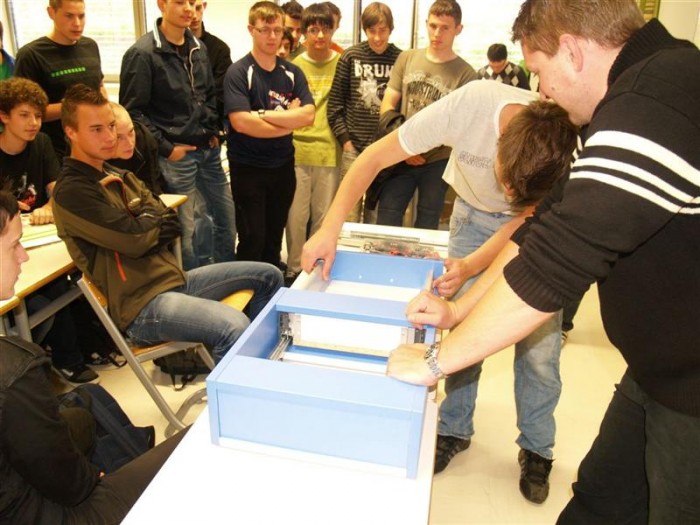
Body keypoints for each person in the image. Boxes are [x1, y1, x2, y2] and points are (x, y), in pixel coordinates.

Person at [387, 1, 700, 522]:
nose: (542, 90)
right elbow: (542, 226)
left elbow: (558, 260)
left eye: (539, 71)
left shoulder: (651, 103)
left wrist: (437, 361)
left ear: (572, 52)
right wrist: (458, 311)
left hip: (691, 392)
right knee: (597, 503)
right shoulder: (626, 99)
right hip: (658, 370)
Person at [303, 80, 577, 503]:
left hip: (530, 228)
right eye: (505, 182)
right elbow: (373, 157)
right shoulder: (469, 105)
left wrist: (471, 268)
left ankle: (537, 448)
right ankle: (453, 428)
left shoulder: (564, 149)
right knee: (462, 338)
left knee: (540, 350)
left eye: (514, 191)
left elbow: (524, 232)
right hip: (470, 218)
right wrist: (329, 228)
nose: (506, 193)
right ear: (499, 141)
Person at [53, 84, 283, 364]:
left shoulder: (119, 174)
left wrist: (145, 224)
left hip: (174, 281)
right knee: (233, 326)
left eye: (111, 126)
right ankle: (237, 383)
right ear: (71, 132)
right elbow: (136, 241)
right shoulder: (72, 191)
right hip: (142, 306)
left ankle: (258, 367)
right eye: (96, 129)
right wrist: (148, 224)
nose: (110, 136)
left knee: (269, 276)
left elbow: (170, 220)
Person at [0, 190, 190, 524]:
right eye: (15, 245)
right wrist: (91, 477)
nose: (23, 257)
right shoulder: (14, 369)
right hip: (56, 513)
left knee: (87, 400)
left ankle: (131, 457)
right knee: (195, 443)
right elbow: (72, 487)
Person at [120, 0, 237, 271]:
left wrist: (212, 130)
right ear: (162, 4)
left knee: (225, 220)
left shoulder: (198, 47)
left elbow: (208, 95)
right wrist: (167, 148)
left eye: (193, 4)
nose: (189, 9)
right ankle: (197, 285)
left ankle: (228, 277)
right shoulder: (142, 53)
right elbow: (133, 112)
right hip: (176, 155)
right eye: (180, 2)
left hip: (208, 151)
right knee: (189, 231)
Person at [0, 77, 100, 385]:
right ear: (4, 116)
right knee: (47, 294)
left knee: (62, 282)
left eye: (37, 115)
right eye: (24, 115)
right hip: (8, 245)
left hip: (37, 238)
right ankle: (61, 362)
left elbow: (59, 188)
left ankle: (76, 353)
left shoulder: (41, 143)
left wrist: (48, 205)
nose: (33, 123)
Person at [224, 1, 315, 268]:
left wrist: (261, 114)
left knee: (274, 240)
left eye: (277, 30)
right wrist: (289, 121)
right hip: (248, 169)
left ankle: (272, 289)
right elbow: (241, 123)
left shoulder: (292, 72)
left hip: (282, 167)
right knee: (253, 239)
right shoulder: (239, 72)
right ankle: (248, 292)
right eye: (265, 30)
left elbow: (308, 115)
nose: (272, 36)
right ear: (251, 30)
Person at [376, 0, 476, 229]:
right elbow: (387, 104)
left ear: (458, 29)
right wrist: (405, 146)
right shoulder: (407, 58)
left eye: (445, 28)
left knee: (428, 221)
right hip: (400, 153)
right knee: (388, 215)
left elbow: (460, 126)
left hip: (437, 160)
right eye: (433, 26)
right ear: (426, 24)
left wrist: (419, 148)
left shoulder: (466, 74)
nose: (437, 33)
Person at [327, 2, 401, 223]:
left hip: (386, 151)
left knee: (376, 218)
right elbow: (335, 105)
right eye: (371, 30)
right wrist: (346, 142)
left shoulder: (401, 59)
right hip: (354, 148)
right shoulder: (350, 56)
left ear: (391, 29)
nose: (377, 37)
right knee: (347, 215)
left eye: (382, 30)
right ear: (364, 29)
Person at [284, 3, 340, 284]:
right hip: (297, 150)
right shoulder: (293, 66)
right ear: (304, 32)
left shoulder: (342, 63)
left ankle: (316, 272)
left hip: (329, 151)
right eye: (314, 30)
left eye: (325, 29)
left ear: (333, 30)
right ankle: (294, 270)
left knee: (323, 217)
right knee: (296, 217)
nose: (320, 36)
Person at [14, 0, 106, 161]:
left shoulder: (90, 46)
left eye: (81, 16)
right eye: (69, 16)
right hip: (55, 152)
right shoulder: (31, 55)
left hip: (94, 146)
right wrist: (74, 107)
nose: (77, 23)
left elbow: (99, 85)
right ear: (51, 12)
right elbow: (25, 114)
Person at [109, 102, 167, 195]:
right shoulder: (91, 158)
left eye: (131, 132)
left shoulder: (143, 138)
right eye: (119, 137)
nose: (130, 143)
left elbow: (152, 188)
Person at [189, 0, 232, 124]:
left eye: (198, 8)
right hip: (177, 125)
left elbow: (220, 95)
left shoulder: (220, 49)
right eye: (190, 8)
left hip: (209, 124)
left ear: (204, 6)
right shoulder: (167, 49)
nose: (194, 15)